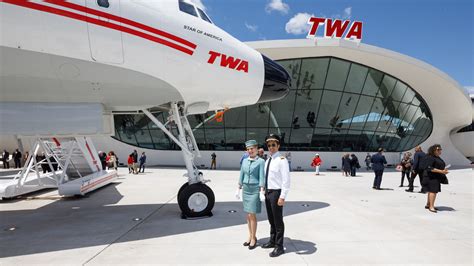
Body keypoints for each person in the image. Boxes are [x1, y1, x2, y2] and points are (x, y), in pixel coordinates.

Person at [262, 134, 290, 257]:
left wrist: (282, 196)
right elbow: (267, 177)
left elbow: (286, 180)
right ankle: (272, 241)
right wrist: (264, 189)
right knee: (271, 219)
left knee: (278, 221)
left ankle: (279, 247)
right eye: (269, 145)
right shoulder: (268, 160)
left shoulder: (282, 160)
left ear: (278, 145)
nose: (271, 147)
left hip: (276, 193)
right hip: (268, 192)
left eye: (273, 144)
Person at [236, 140, 265, 250]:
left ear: (257, 149)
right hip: (246, 190)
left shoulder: (261, 161)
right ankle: (251, 235)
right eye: (248, 149)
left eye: (252, 148)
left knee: (252, 215)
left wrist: (262, 190)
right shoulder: (244, 161)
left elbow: (262, 176)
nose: (250, 151)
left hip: (255, 190)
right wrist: (238, 188)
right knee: (248, 215)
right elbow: (241, 174)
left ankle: (253, 238)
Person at [420, 144, 448, 213]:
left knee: (431, 190)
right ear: (433, 150)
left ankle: (428, 204)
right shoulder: (431, 157)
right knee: (433, 191)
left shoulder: (437, 157)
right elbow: (429, 168)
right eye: (438, 149)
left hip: (434, 176)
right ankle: (431, 207)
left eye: (440, 149)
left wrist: (443, 170)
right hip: (431, 177)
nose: (440, 151)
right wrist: (441, 171)